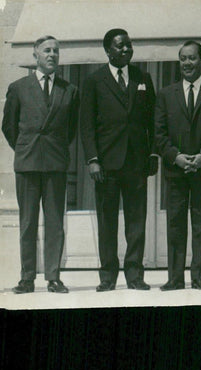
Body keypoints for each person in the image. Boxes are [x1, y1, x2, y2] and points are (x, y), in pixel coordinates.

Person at [80, 28, 158, 292]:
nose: (127, 49)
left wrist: (153, 153)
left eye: (129, 45)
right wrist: (93, 159)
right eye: (120, 45)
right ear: (108, 50)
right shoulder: (94, 81)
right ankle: (107, 276)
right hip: (106, 164)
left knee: (137, 221)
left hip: (136, 162)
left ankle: (135, 275)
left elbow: (152, 120)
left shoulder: (142, 77)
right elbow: (86, 125)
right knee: (107, 221)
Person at [2, 35, 79, 294]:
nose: (52, 55)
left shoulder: (69, 90)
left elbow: (70, 131)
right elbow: (9, 126)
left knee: (56, 223)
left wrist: (53, 149)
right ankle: (27, 277)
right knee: (28, 223)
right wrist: (25, 148)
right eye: (47, 50)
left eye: (56, 51)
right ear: (35, 55)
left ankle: (53, 277)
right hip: (28, 163)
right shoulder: (18, 87)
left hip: (56, 163)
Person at [154, 41, 201, 291]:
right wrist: (174, 156)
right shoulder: (166, 94)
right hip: (175, 170)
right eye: (183, 59)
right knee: (175, 224)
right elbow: (158, 133)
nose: (187, 63)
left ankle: (199, 277)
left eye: (192, 58)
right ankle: (175, 279)